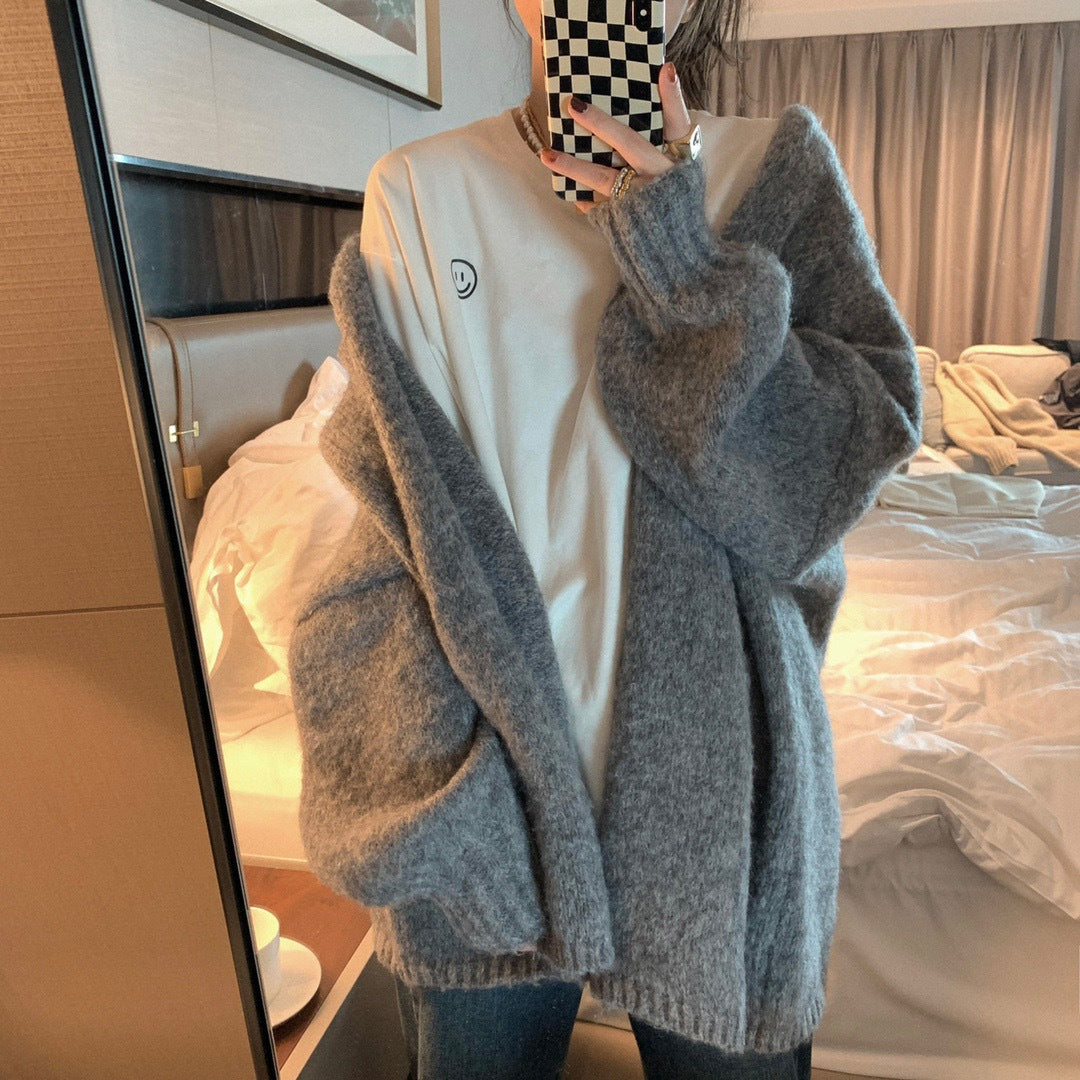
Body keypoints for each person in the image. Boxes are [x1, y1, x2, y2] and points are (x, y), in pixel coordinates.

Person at [286, 1, 923, 1078]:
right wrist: (435, 807)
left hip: (718, 815)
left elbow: (817, 486)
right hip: (485, 790)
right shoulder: (421, 191)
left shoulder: (774, 174)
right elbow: (405, 522)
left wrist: (681, 260)